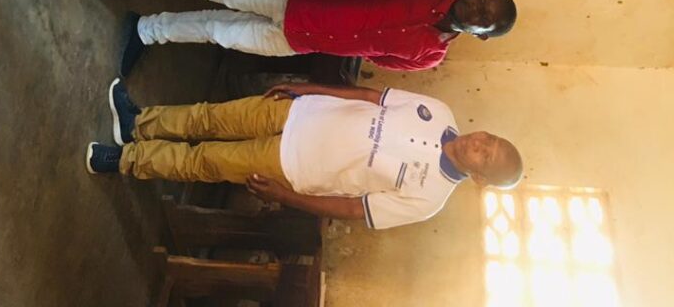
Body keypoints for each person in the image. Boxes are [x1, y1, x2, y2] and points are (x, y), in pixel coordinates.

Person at [86, 78, 523, 231]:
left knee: (204, 162)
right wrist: (307, 89)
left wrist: (284, 196)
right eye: (491, 140)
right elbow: (370, 96)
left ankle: (124, 160)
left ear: (479, 178)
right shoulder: (439, 112)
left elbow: (353, 209)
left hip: (291, 164)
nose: (480, 144)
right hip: (299, 111)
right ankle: (137, 123)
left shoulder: (429, 201)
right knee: (210, 117)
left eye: (486, 157)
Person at [90, 0, 517, 77]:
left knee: (219, 32)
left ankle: (147, 30)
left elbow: (376, 57)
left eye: (484, 14)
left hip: (297, 41)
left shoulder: (430, 57)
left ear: (482, 34)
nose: (476, 5)